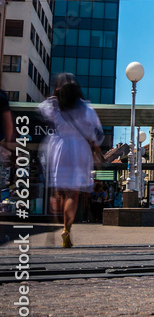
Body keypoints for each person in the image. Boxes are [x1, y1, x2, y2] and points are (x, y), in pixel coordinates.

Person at [38, 74, 103, 248]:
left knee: (59, 191)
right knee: (73, 194)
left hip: (59, 148)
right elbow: (97, 134)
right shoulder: (85, 108)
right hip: (79, 151)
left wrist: (56, 95)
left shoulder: (54, 106)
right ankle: (67, 229)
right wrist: (98, 151)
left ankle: (58, 219)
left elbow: (42, 108)